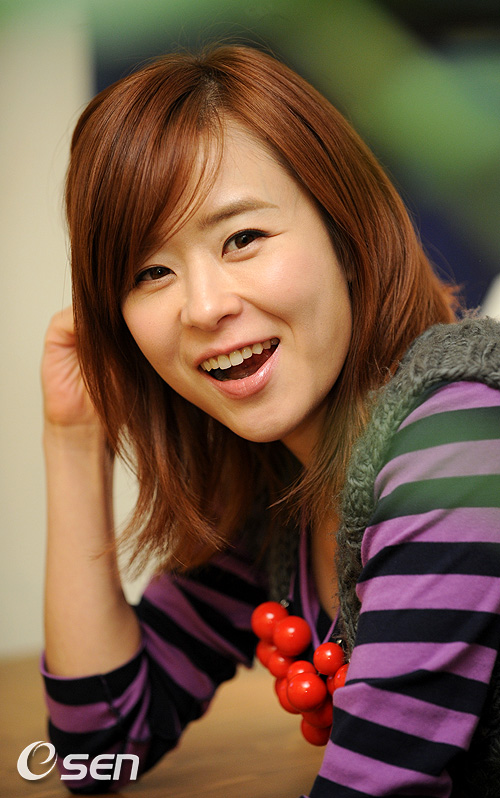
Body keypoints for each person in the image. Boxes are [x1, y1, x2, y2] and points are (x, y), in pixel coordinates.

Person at [40, 43, 500, 797]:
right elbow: (100, 745)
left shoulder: (458, 439)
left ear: (345, 234)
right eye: (151, 272)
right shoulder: (278, 498)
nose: (203, 307)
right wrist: (72, 435)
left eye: (243, 238)